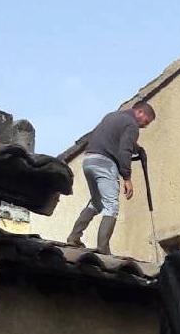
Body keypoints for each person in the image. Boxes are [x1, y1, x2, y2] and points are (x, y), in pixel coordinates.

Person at [66, 102, 156, 254]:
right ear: (139, 112)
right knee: (111, 205)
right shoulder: (132, 125)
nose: (144, 126)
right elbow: (124, 150)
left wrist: (137, 149)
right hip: (105, 163)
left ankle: (74, 237)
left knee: (97, 202)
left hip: (89, 161)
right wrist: (127, 178)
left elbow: (113, 139)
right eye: (146, 122)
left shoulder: (112, 116)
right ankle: (103, 248)